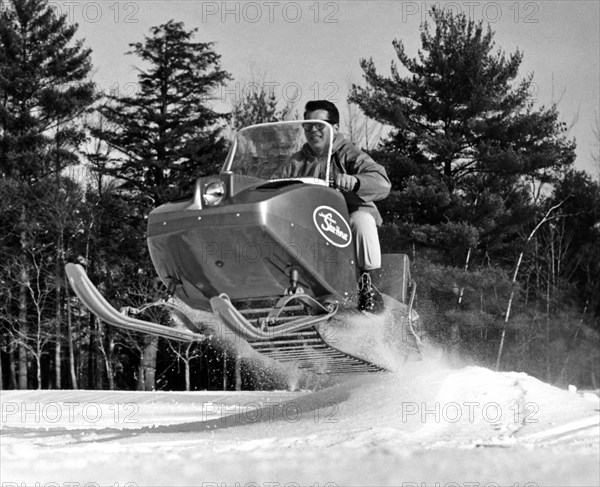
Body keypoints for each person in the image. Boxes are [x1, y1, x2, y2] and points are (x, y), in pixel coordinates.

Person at [282, 100, 391, 313]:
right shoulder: (295, 163)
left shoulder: (347, 153)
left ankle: (367, 286)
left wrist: (356, 181)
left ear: (335, 128)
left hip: (344, 223)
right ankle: (282, 294)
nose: (313, 130)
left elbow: (381, 181)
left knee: (360, 221)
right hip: (310, 225)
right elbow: (274, 188)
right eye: (308, 125)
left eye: (319, 125)